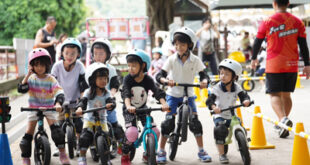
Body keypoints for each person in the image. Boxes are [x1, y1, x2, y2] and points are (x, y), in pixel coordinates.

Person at [250, 0, 310, 138]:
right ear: (288, 3)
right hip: (291, 64)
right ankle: (283, 122)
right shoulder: (297, 22)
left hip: (274, 64)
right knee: (286, 95)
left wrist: (253, 58)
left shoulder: (267, 21)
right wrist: (307, 64)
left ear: (274, 3)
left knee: (274, 95)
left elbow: (258, 41)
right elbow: (303, 45)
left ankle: (282, 120)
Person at [156, 27, 212, 163]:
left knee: (196, 123)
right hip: (173, 94)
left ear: (190, 45)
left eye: (182, 44)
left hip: (190, 94)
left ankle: (201, 150)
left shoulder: (196, 60)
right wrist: (166, 81)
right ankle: (161, 150)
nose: (178, 47)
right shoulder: (171, 59)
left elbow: (204, 75)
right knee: (168, 123)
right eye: (176, 44)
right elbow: (159, 75)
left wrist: (204, 82)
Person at [17, 48, 70, 165]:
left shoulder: (51, 79)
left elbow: (59, 92)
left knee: (58, 132)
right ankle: (26, 158)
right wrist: (27, 76)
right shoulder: (31, 79)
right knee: (27, 137)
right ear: (32, 66)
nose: (39, 67)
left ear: (47, 65)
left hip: (49, 108)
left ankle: (62, 154)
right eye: (36, 65)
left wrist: (57, 103)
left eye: (42, 64)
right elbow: (21, 89)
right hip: (33, 108)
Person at [121, 49, 169, 165]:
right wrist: (128, 106)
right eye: (129, 66)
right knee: (131, 133)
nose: (130, 68)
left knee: (155, 132)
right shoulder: (127, 79)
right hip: (129, 109)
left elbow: (157, 92)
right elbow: (126, 93)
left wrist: (164, 104)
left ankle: (148, 153)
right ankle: (125, 155)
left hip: (143, 109)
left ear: (143, 66)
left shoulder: (147, 79)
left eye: (133, 65)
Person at [206, 59, 251, 164]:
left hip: (232, 114)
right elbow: (209, 100)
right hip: (220, 114)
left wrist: (246, 100)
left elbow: (243, 95)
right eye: (221, 73)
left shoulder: (236, 87)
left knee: (242, 129)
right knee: (220, 130)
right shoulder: (216, 88)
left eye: (226, 74)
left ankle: (244, 144)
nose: (223, 76)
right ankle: (222, 154)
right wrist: (213, 107)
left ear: (234, 77)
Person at [51, 38, 87, 156]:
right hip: (60, 102)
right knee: (59, 126)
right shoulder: (57, 66)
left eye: (73, 53)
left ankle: (78, 144)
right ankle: (59, 146)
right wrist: (55, 101)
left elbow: (82, 86)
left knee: (78, 124)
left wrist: (81, 102)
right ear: (62, 53)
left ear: (78, 54)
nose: (69, 56)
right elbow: (53, 85)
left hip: (75, 100)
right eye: (67, 53)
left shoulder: (80, 66)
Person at [75, 62, 116, 165]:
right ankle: (82, 157)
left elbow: (111, 100)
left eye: (105, 78)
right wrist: (80, 108)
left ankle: (106, 157)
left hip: (102, 119)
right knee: (85, 137)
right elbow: (83, 101)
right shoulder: (88, 92)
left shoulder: (106, 92)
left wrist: (111, 104)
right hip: (90, 119)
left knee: (107, 137)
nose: (104, 81)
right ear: (92, 79)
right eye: (100, 78)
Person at [90, 38, 124, 154]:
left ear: (107, 55)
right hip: (94, 101)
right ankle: (90, 144)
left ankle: (120, 143)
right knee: (88, 124)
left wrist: (112, 94)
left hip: (107, 101)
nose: (98, 56)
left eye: (101, 54)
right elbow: (85, 85)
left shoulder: (111, 69)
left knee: (113, 123)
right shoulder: (90, 69)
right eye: (96, 54)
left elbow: (115, 84)